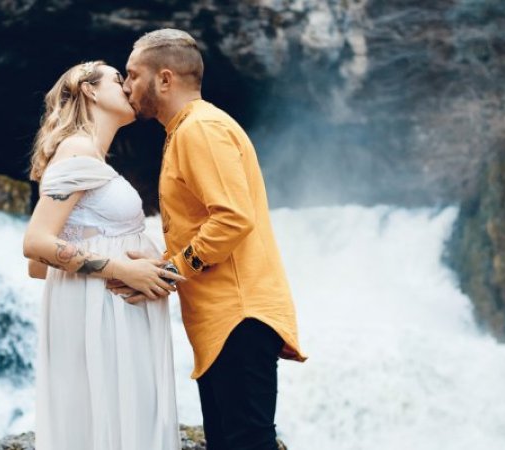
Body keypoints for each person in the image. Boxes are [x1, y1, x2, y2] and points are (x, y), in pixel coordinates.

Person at [114, 29, 308, 450]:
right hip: (224, 322)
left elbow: (233, 218)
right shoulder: (189, 129)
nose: (125, 86)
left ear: (164, 79)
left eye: (132, 75)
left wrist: (171, 269)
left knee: (246, 442)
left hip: (238, 316)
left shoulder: (200, 129)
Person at [22, 60, 184, 450]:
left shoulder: (90, 156)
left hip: (103, 308)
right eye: (118, 79)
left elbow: (39, 270)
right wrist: (124, 269)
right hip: (102, 314)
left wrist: (139, 265)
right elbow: (35, 245)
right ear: (89, 90)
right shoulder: (77, 150)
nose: (129, 87)